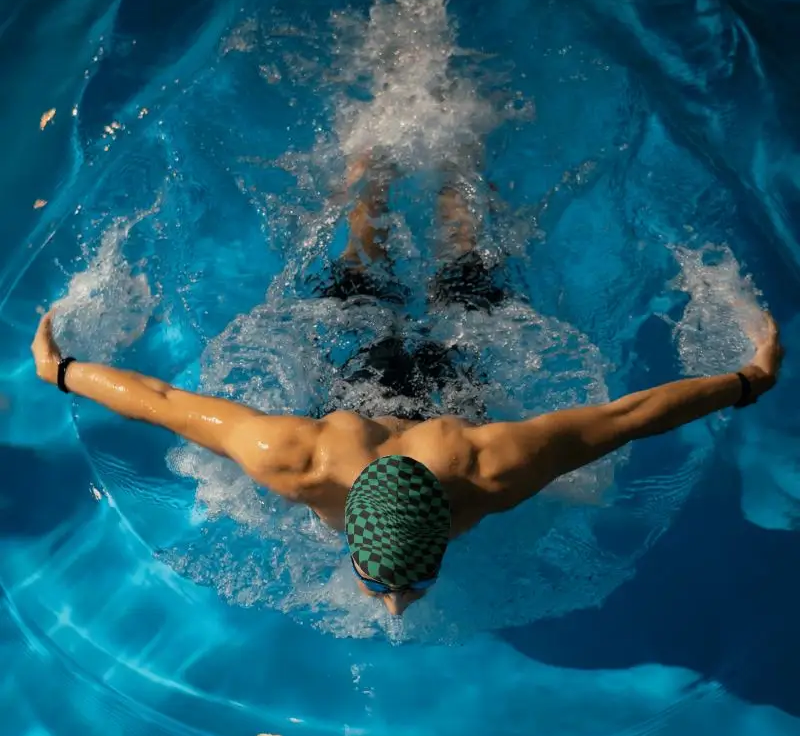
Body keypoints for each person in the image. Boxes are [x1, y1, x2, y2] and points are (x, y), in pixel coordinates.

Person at [32, 156, 784, 616]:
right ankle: (400, 163)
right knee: (446, 267)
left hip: (380, 389)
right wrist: (745, 377)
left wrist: (752, 382)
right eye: (402, 582)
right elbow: (627, 417)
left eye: (401, 582)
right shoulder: (486, 463)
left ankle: (414, 161)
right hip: (417, 390)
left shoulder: (309, 456)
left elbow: (632, 415)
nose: (393, 605)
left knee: (393, 266)